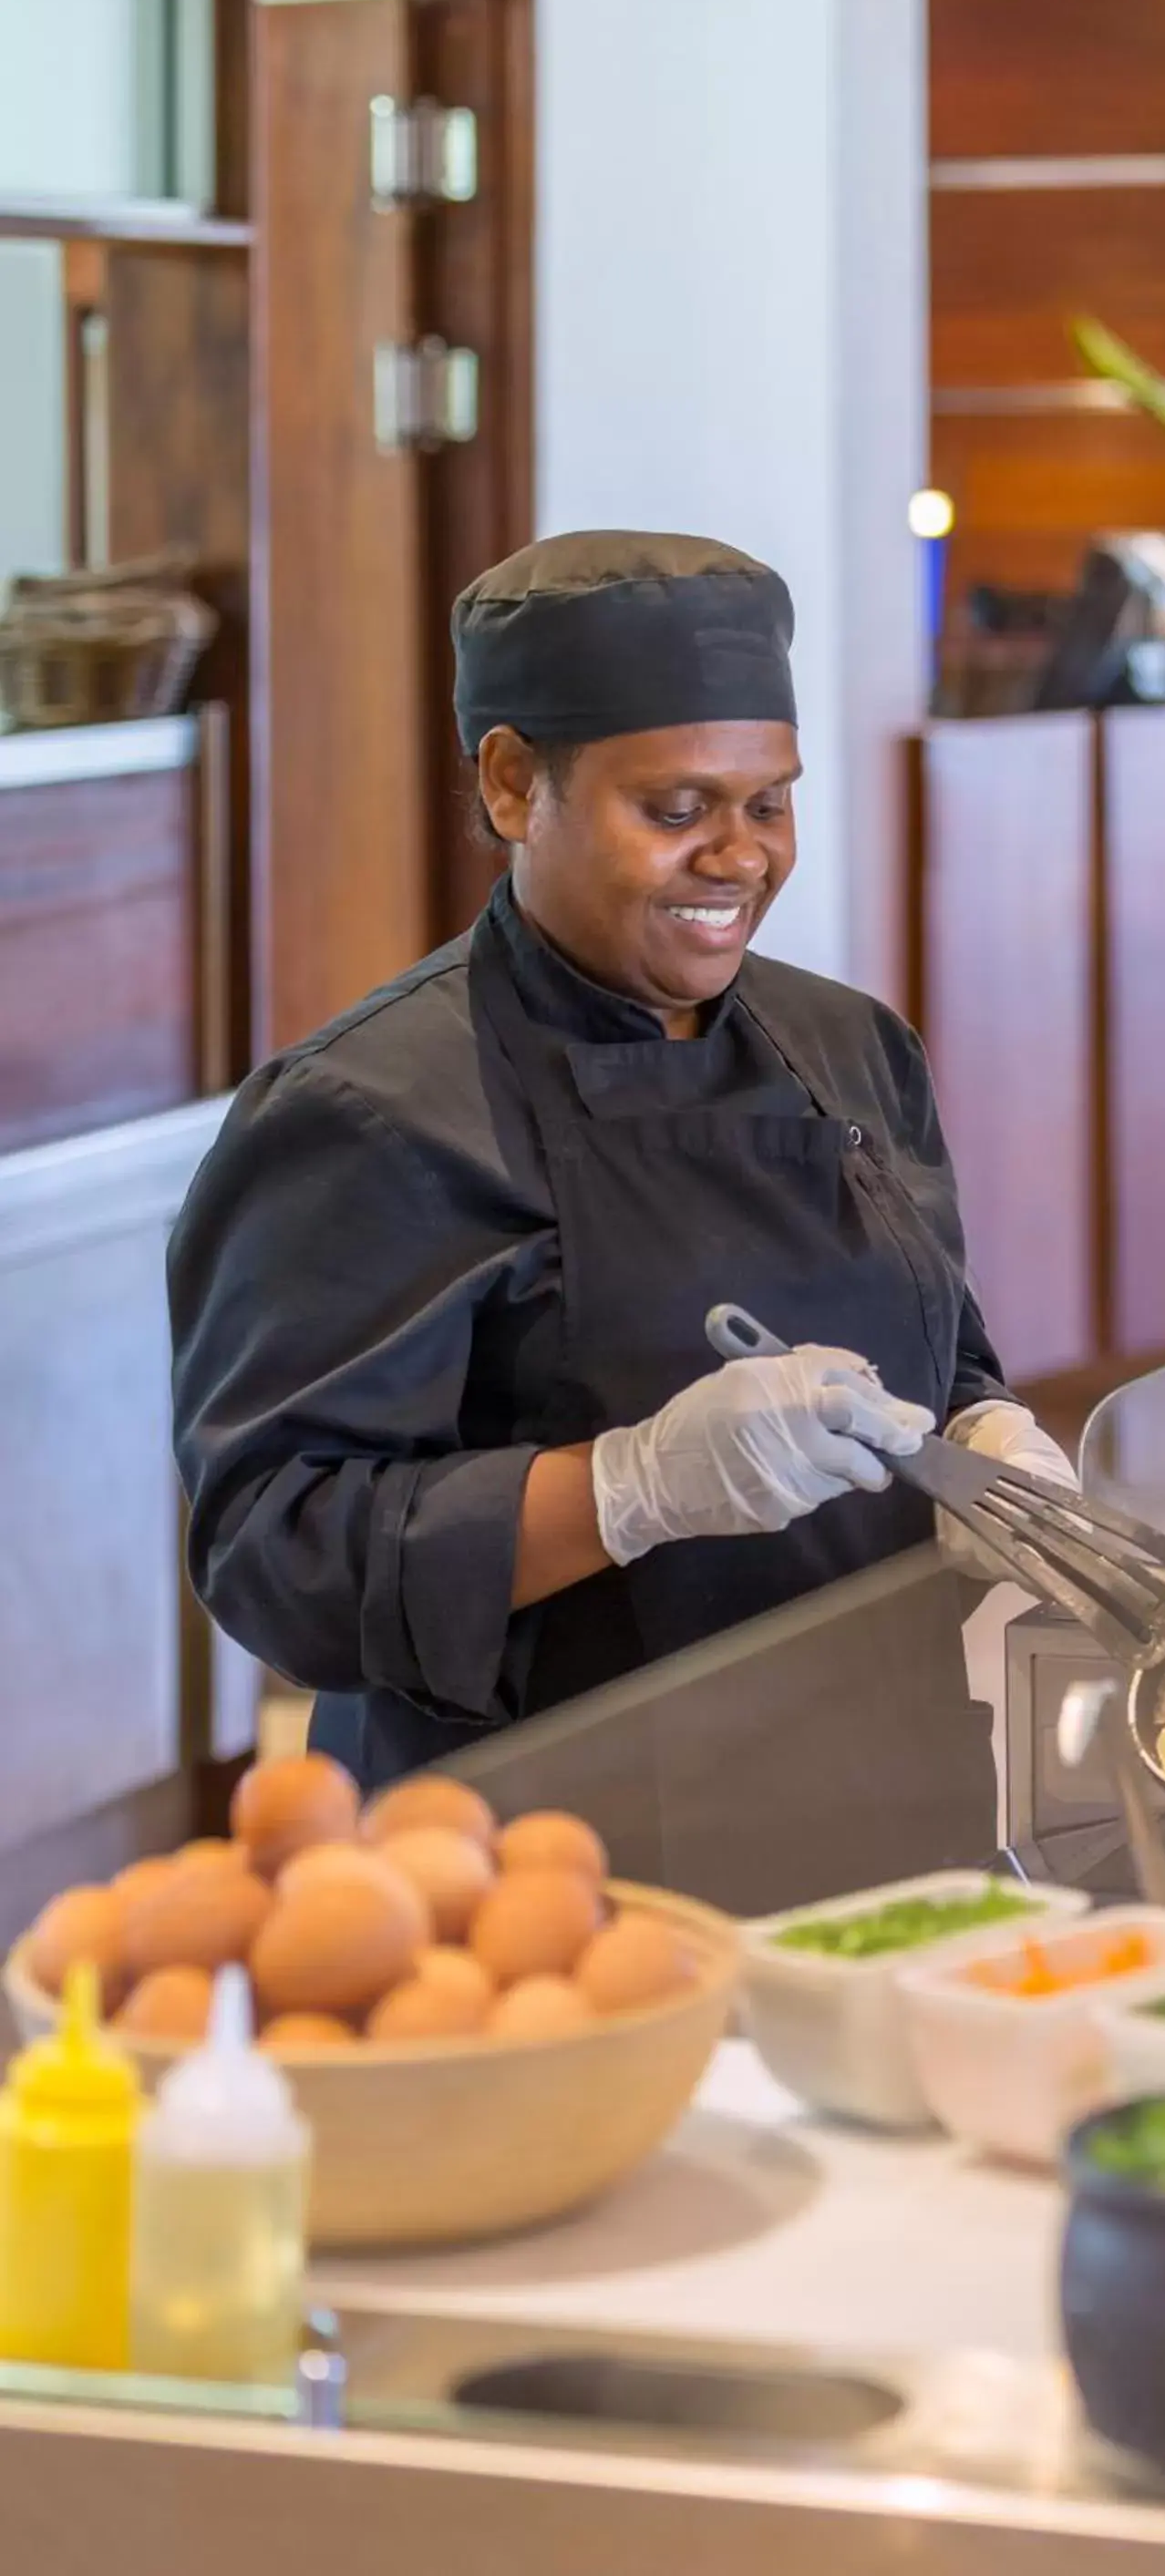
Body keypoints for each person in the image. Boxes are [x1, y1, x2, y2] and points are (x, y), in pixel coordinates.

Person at [170, 532, 1072, 1788]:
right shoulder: (361, 1113)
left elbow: (940, 1339)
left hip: (886, 1788)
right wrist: (628, 1489)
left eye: (769, 802)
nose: (742, 856)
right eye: (676, 809)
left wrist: (986, 1427)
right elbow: (277, 1557)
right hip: (549, 1844)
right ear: (508, 787)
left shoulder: (850, 1044)